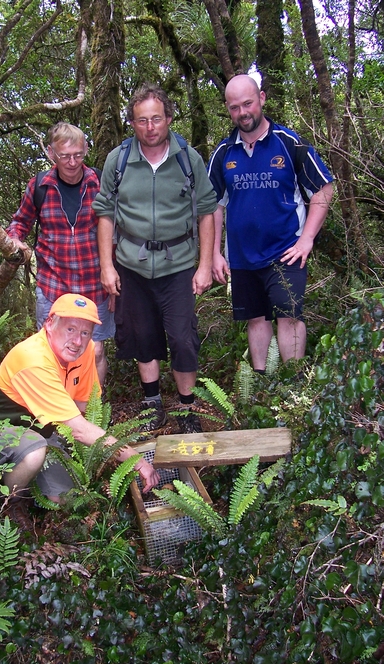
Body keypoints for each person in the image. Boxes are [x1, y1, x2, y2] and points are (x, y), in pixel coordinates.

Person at [92, 83, 217, 433]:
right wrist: (107, 266)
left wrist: (205, 264)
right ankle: (152, 403)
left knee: (182, 337)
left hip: (177, 265)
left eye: (156, 119)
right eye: (142, 120)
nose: (150, 127)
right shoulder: (118, 161)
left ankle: (187, 408)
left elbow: (207, 211)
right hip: (131, 265)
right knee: (141, 334)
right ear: (132, 123)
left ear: (169, 119)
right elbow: (105, 214)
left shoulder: (187, 159)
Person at [0, 293, 160, 526]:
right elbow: (80, 430)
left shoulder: (85, 352)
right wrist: (134, 459)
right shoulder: (33, 359)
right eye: (70, 329)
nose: (77, 341)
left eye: (85, 332)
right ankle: (8, 502)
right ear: (49, 324)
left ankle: (32, 487)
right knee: (34, 454)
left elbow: (83, 409)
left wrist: (91, 459)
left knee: (62, 499)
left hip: (44, 431)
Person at [207, 74, 334, 371]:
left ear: (262, 98)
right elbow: (211, 205)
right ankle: (261, 384)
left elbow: (324, 188)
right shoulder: (224, 153)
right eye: (234, 107)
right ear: (228, 109)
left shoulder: (289, 143)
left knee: (288, 317)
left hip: (286, 251)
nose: (243, 113)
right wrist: (214, 253)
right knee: (256, 318)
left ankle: (291, 385)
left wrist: (307, 239)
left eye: (248, 103)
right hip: (242, 256)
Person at [6, 122, 114, 386]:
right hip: (54, 286)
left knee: (95, 351)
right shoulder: (40, 185)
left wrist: (114, 280)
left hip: (95, 284)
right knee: (55, 353)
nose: (72, 161)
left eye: (78, 154)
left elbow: (117, 230)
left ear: (86, 150)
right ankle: (58, 415)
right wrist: (14, 240)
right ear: (52, 154)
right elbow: (20, 221)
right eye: (65, 156)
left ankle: (92, 414)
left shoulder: (99, 182)